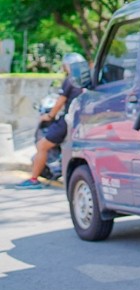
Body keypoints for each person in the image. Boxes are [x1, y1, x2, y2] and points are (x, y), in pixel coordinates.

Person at [16, 53, 87, 189]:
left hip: (68, 120)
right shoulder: (85, 80)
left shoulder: (71, 79)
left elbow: (61, 101)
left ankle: (33, 179)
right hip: (80, 121)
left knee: (42, 146)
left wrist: (49, 116)